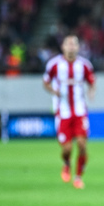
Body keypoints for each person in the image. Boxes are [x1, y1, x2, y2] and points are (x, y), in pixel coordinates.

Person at [43, 35, 96, 189]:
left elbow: (92, 81)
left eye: (74, 44)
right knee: (67, 148)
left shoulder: (84, 65)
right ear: (63, 47)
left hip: (80, 110)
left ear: (78, 48)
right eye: (69, 44)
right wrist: (54, 91)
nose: (71, 47)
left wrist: (91, 92)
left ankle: (78, 177)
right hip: (63, 111)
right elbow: (45, 82)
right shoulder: (54, 64)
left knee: (82, 144)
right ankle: (66, 163)